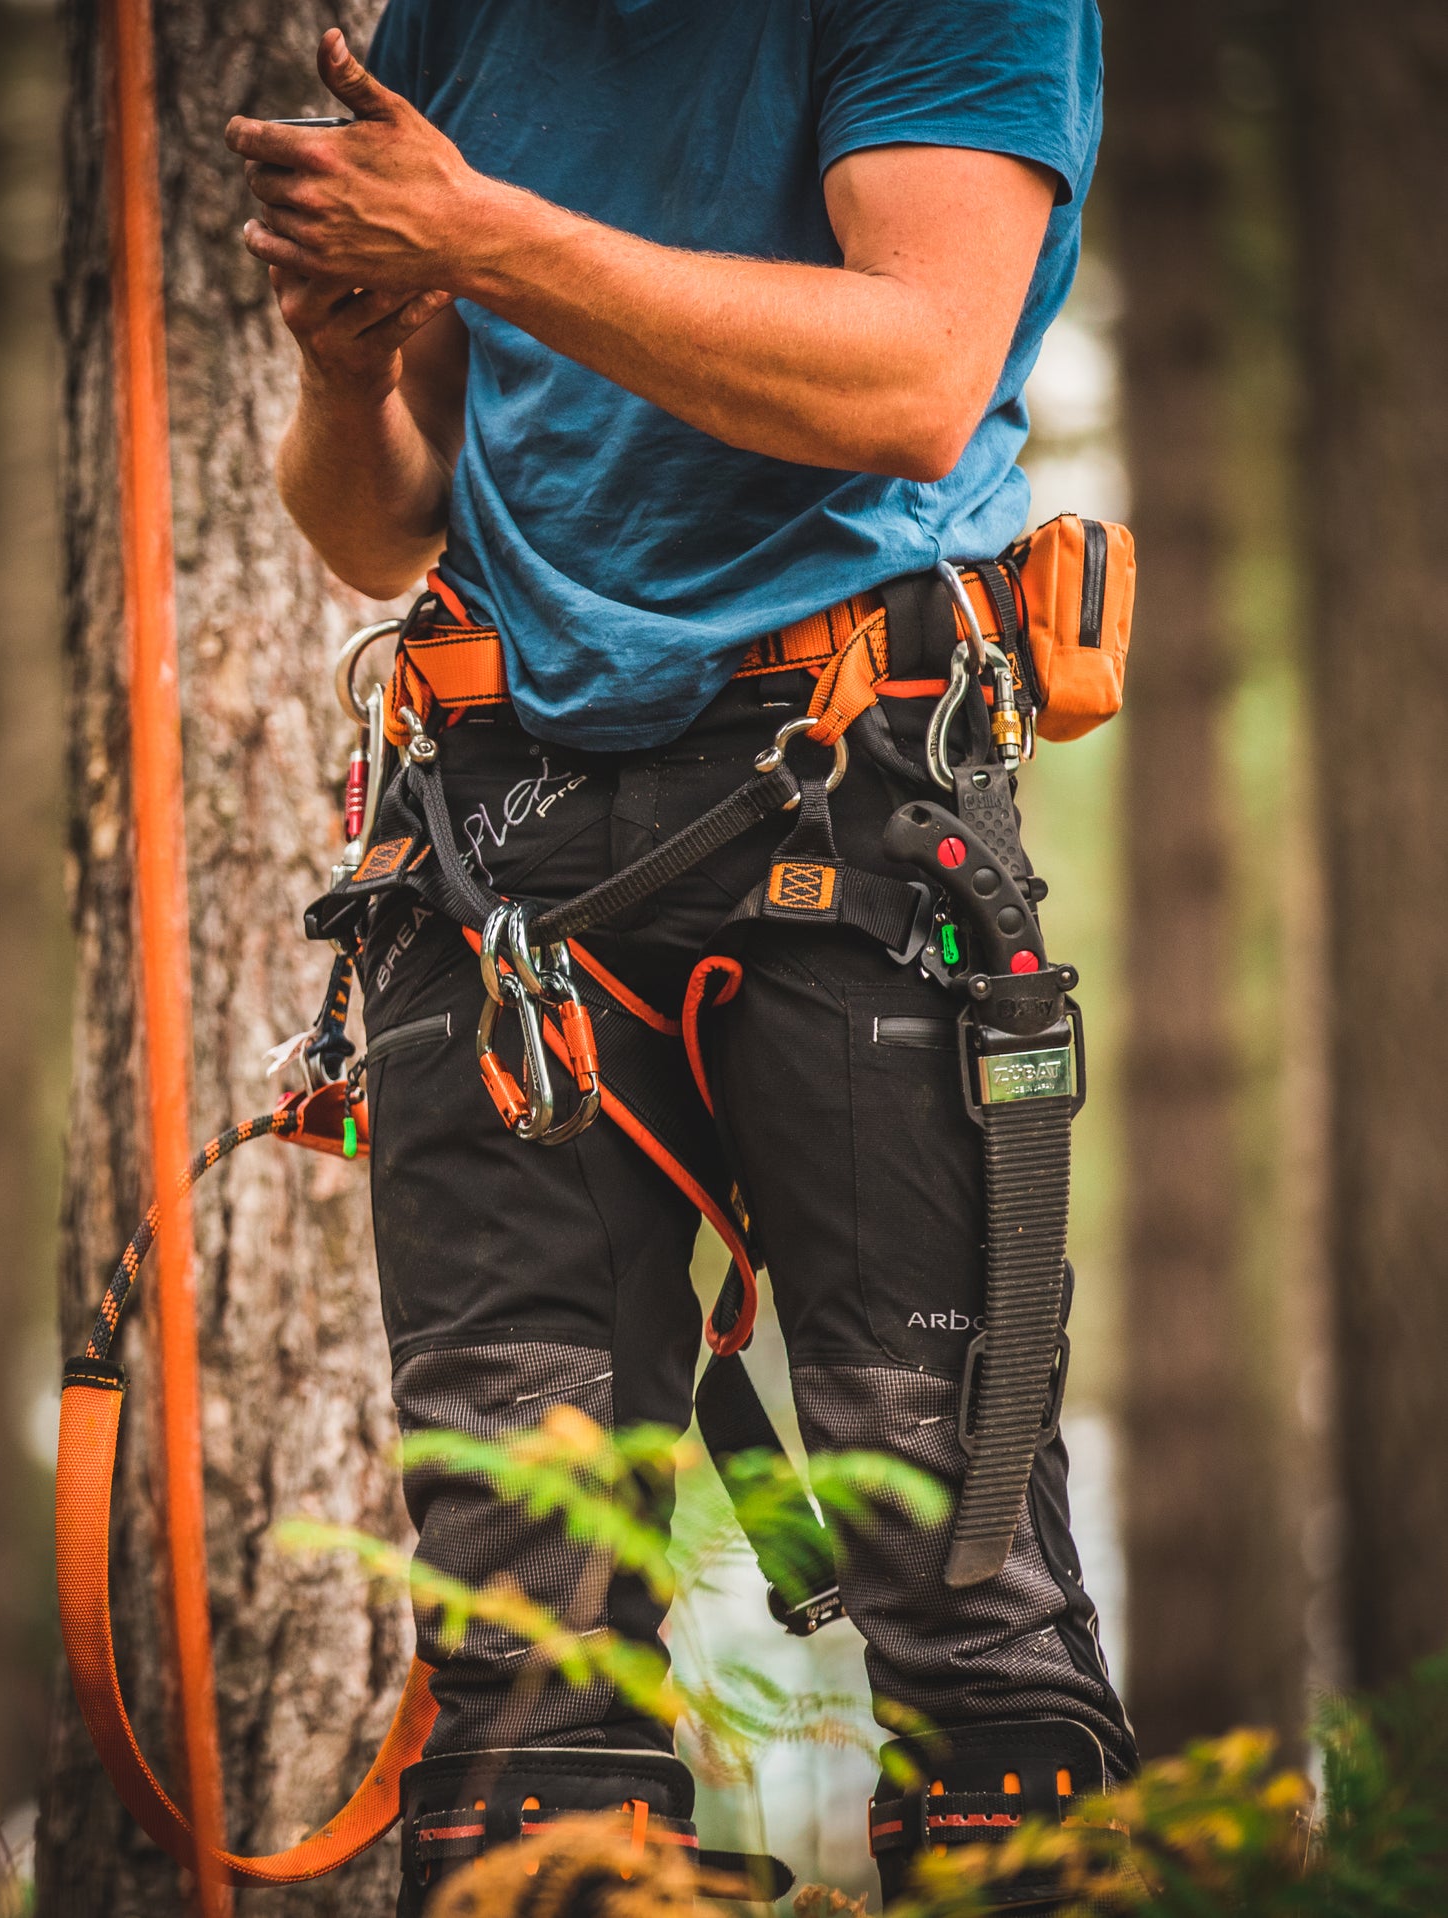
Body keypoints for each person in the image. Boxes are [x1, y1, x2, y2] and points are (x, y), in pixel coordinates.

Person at [226, 6, 1136, 1909]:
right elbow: (384, 524)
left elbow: (913, 373)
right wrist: (346, 374)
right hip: (496, 857)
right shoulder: (467, 20)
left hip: (854, 805)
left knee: (969, 1618)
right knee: (515, 1674)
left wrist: (477, 235)